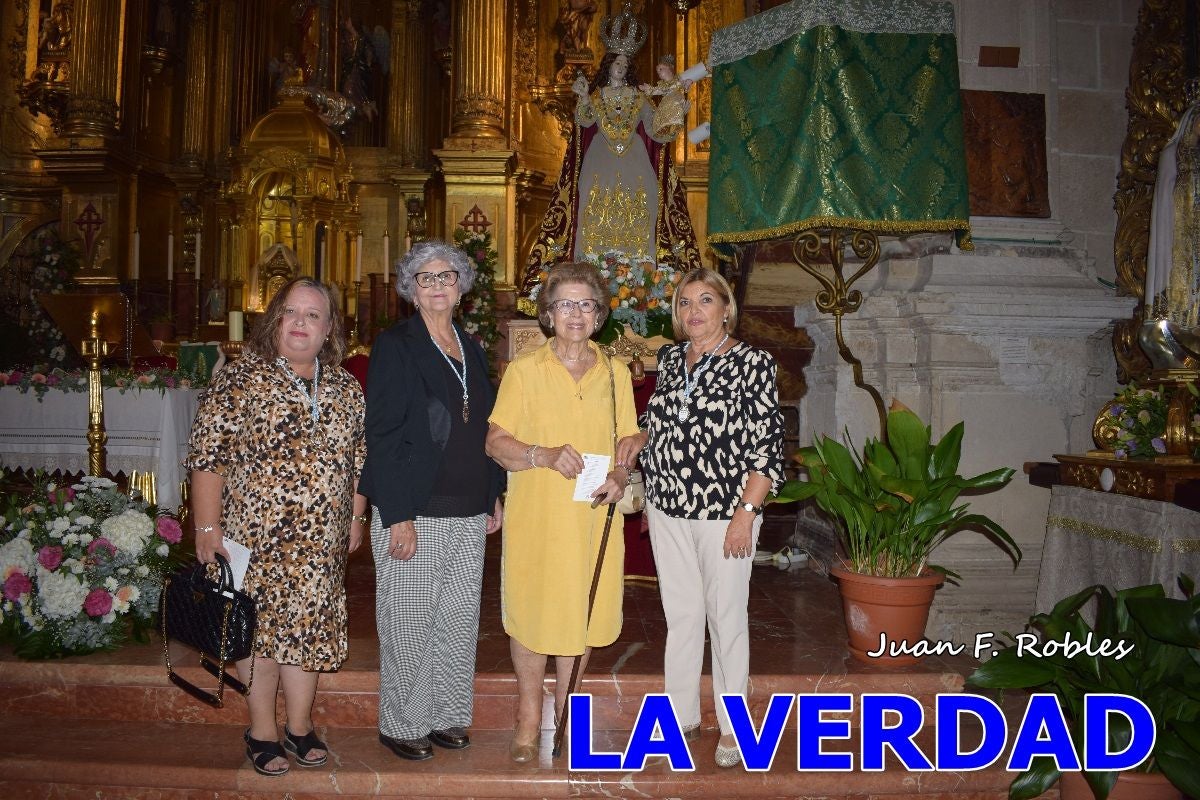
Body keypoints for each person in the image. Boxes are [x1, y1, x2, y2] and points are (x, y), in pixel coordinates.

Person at [187, 277, 367, 777]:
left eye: (314, 315)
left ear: (329, 327)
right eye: (292, 312)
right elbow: (208, 458)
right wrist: (207, 529)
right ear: (276, 320)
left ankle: (301, 724)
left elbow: (359, 460)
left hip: (321, 544)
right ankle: (263, 729)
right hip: (255, 538)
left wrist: (355, 515)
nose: (302, 323)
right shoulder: (239, 379)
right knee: (258, 635)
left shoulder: (345, 386)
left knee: (308, 631)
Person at [618, 268, 783, 768]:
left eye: (705, 300)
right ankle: (680, 715)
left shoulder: (753, 362)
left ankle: (736, 729)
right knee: (683, 616)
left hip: (724, 513)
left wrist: (745, 514)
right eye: (685, 302)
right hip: (669, 508)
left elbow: (767, 448)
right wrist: (640, 439)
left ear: (726, 308)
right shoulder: (671, 358)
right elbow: (663, 418)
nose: (694, 311)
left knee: (726, 619)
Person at [358, 240, 506, 762]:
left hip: (469, 506)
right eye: (426, 277)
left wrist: (493, 492)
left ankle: (446, 715)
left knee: (458, 619)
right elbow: (382, 432)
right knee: (409, 619)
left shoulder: (472, 345)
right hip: (414, 507)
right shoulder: (395, 344)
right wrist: (395, 513)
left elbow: (487, 426)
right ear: (410, 290)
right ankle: (402, 723)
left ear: (462, 285)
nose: (439, 284)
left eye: (447, 275)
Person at [486, 262, 640, 763]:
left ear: (599, 316)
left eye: (586, 304)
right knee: (534, 613)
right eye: (565, 304)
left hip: (593, 515)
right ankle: (528, 716)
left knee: (584, 612)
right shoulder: (525, 370)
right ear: (548, 314)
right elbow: (495, 443)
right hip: (537, 515)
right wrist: (544, 455)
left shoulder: (615, 372)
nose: (576, 313)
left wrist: (621, 473)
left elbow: (627, 439)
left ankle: (567, 710)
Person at [517, 4, 701, 313]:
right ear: (608, 64)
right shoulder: (598, 95)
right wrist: (583, 96)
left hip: (636, 166)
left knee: (640, 212)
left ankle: (640, 287)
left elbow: (658, 133)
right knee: (592, 209)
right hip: (599, 163)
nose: (621, 66)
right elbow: (584, 122)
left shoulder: (639, 98)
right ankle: (591, 284)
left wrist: (676, 107)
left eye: (625, 62)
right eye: (616, 61)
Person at [639, 54, 691, 140]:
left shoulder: (677, 80)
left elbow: (684, 83)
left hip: (675, 100)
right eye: (657, 71)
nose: (658, 72)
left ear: (669, 68)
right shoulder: (663, 85)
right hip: (667, 102)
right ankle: (665, 127)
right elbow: (659, 90)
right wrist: (648, 89)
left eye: (660, 69)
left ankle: (673, 126)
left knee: (674, 111)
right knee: (661, 113)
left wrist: (689, 81)